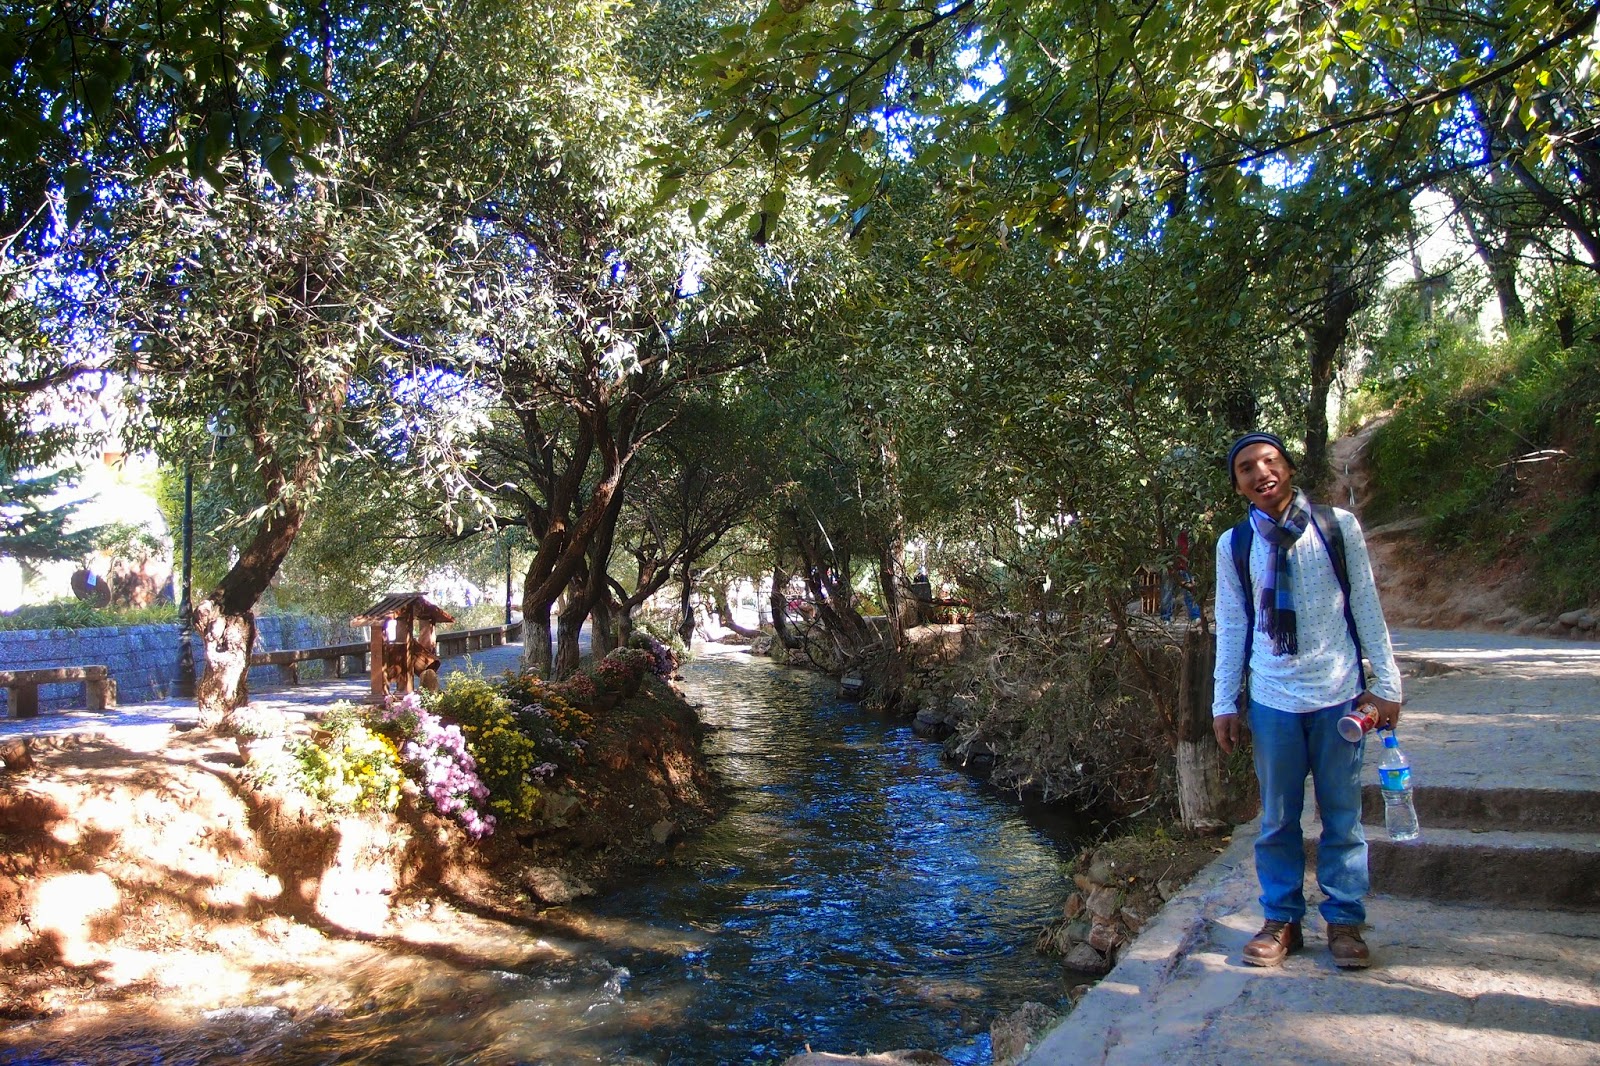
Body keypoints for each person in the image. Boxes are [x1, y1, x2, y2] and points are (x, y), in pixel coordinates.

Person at [1212, 431, 1403, 970]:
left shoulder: (1337, 527)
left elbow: (1365, 604)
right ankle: (1282, 921)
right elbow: (1233, 624)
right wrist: (1223, 702)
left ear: (1289, 468)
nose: (1261, 473)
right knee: (1277, 818)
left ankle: (1344, 921)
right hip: (1272, 698)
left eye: (1270, 461)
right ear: (1238, 485)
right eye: (1247, 468)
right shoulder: (1235, 544)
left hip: (1338, 695)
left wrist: (1387, 684)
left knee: (1342, 817)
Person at [1160, 529, 1202, 623]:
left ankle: (1195, 616)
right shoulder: (1168, 531)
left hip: (1183, 565)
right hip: (1169, 566)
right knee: (1167, 595)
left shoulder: (1188, 532)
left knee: (1190, 593)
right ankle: (1166, 618)